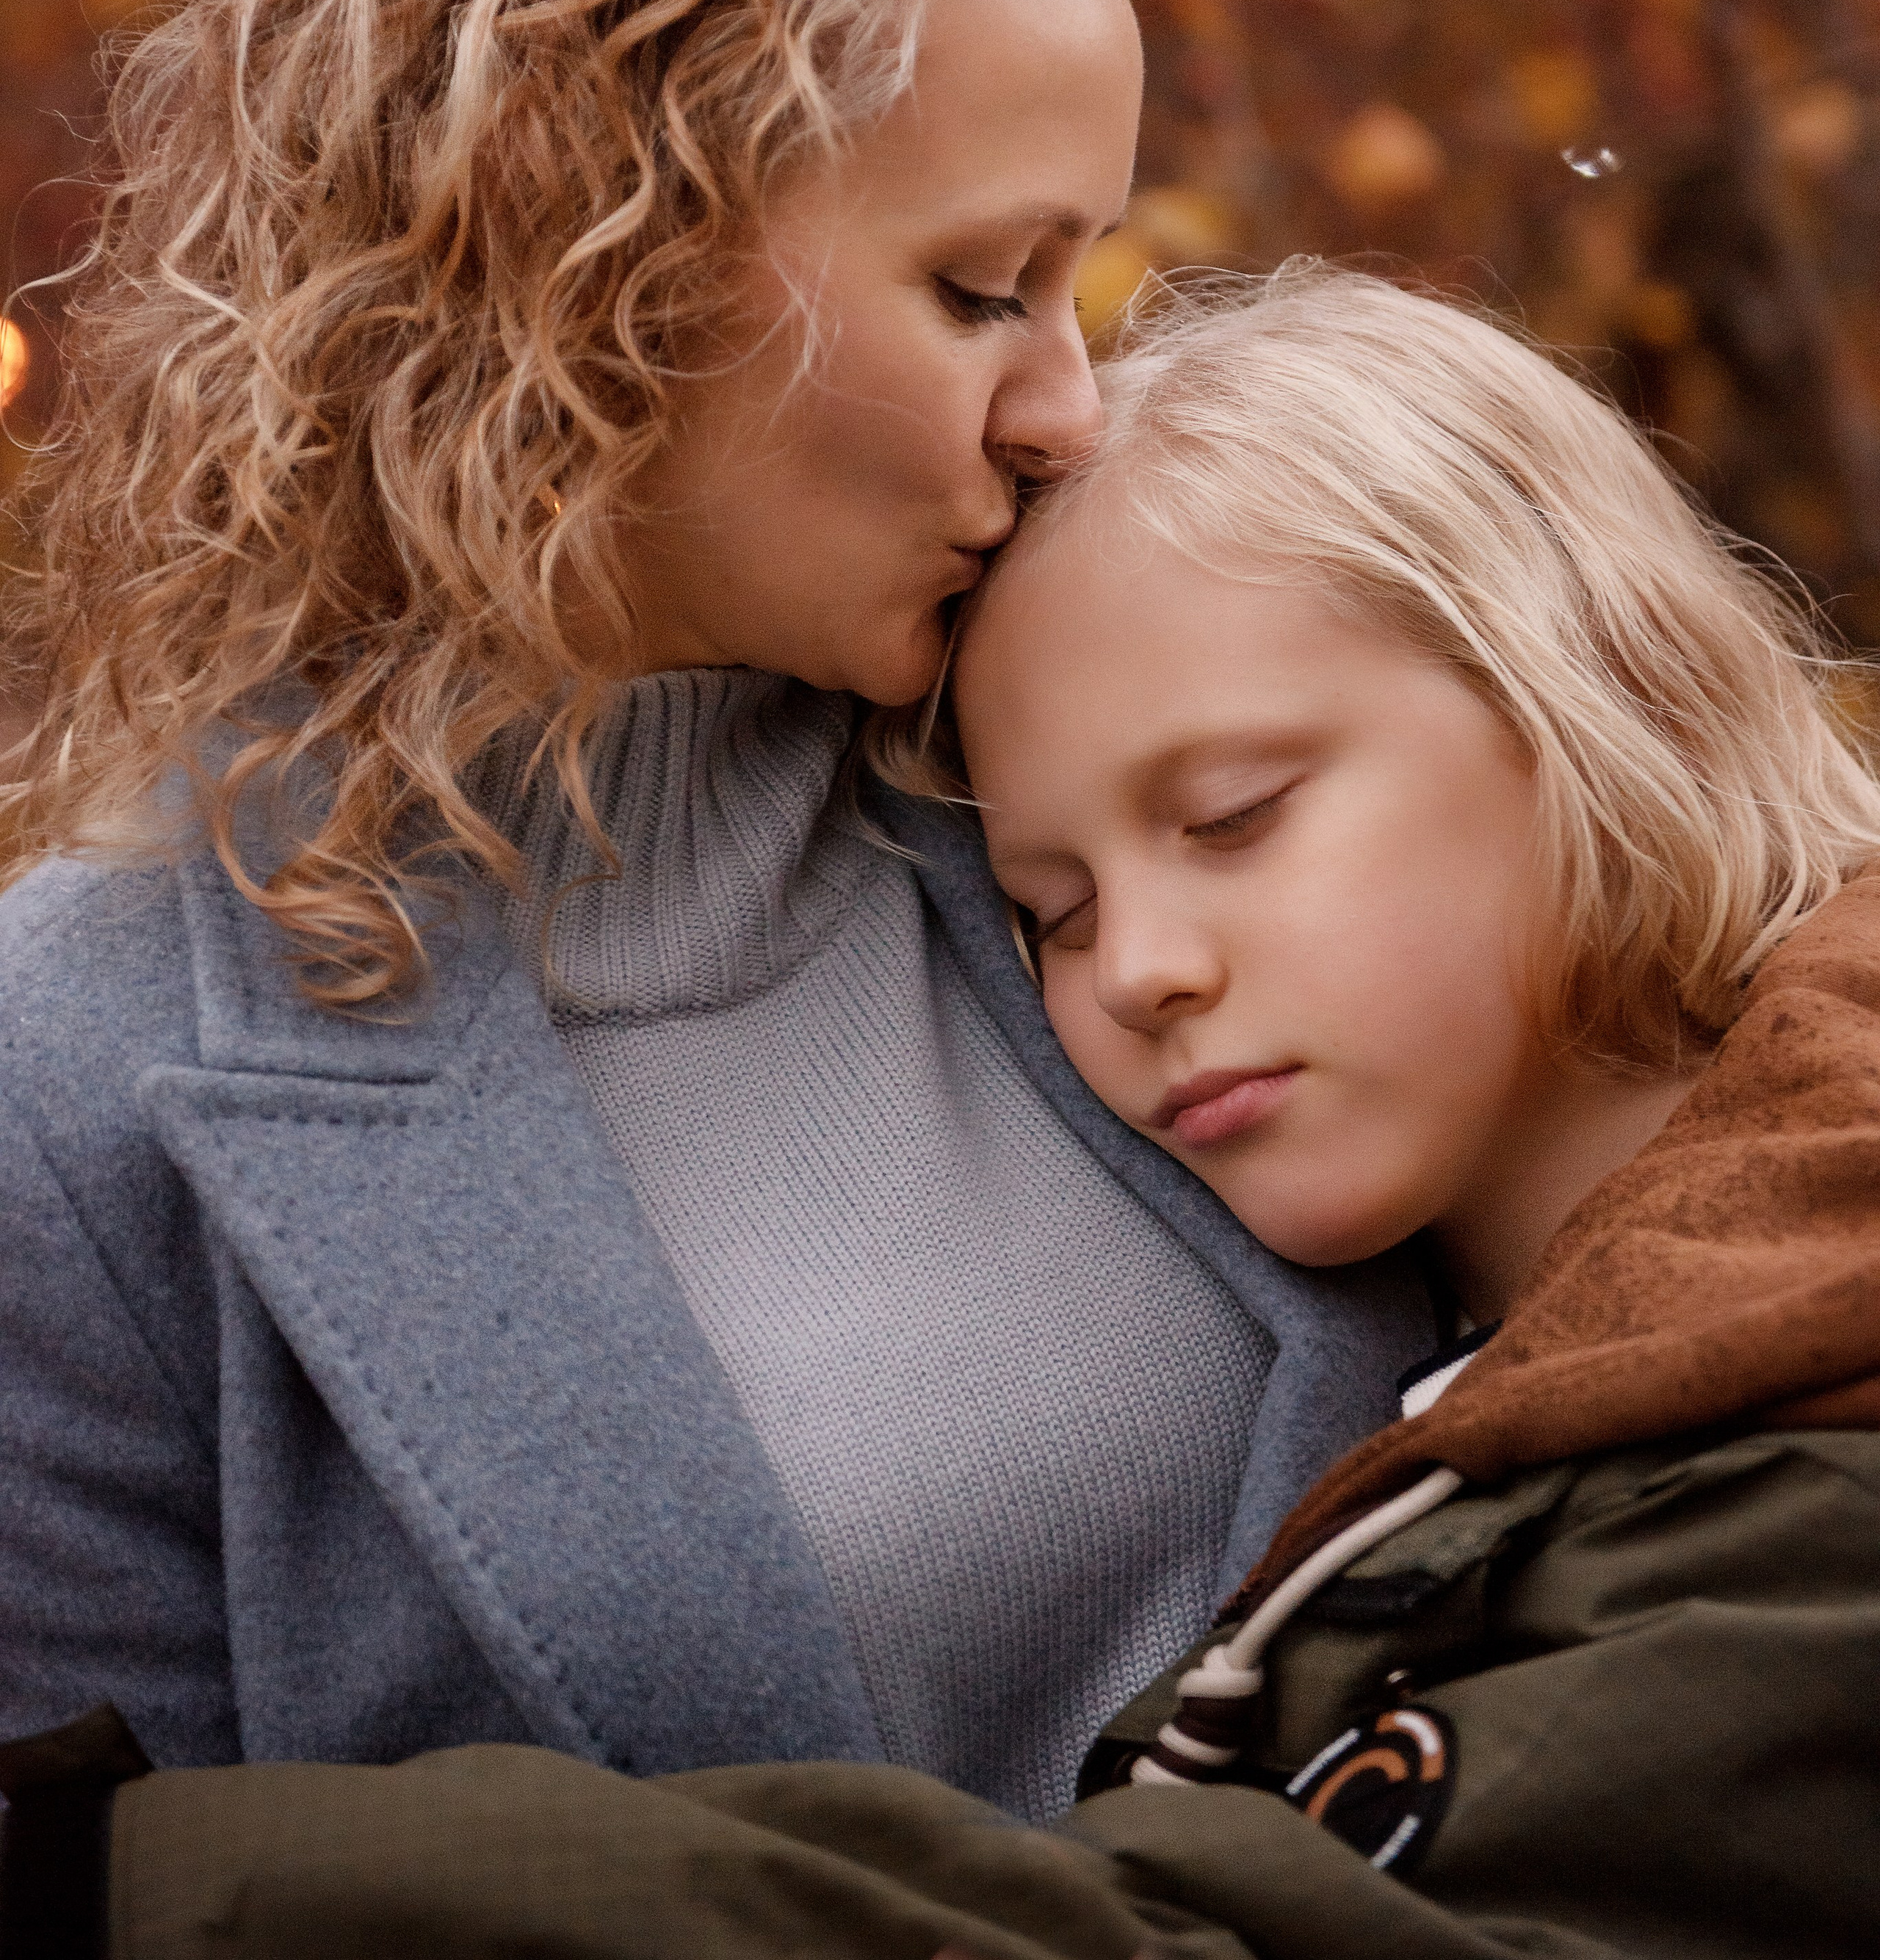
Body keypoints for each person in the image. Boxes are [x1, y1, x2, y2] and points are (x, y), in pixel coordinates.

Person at [0, 0, 1430, 1826]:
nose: (1070, 405)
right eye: (985, 284)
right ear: (601, 243)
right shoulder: (71, 1097)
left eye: (1080, 281)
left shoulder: (1124, 777)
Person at [32, 264, 1880, 1960]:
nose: (1135, 968)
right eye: (1048, 911)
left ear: (1594, 693)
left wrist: (155, 1880)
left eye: (1231, 815)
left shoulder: (1810, 1370)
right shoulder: (1573, 1352)